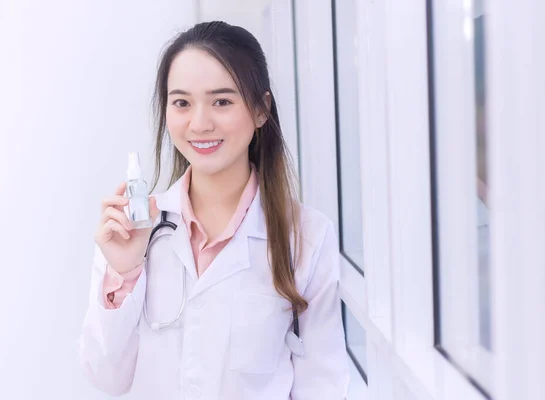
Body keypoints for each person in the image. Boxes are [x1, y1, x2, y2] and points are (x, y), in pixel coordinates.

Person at [77, 21, 349, 399]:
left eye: (222, 101)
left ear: (260, 110)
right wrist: (124, 274)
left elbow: (324, 385)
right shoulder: (135, 231)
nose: (200, 124)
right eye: (182, 103)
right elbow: (105, 376)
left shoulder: (306, 236)